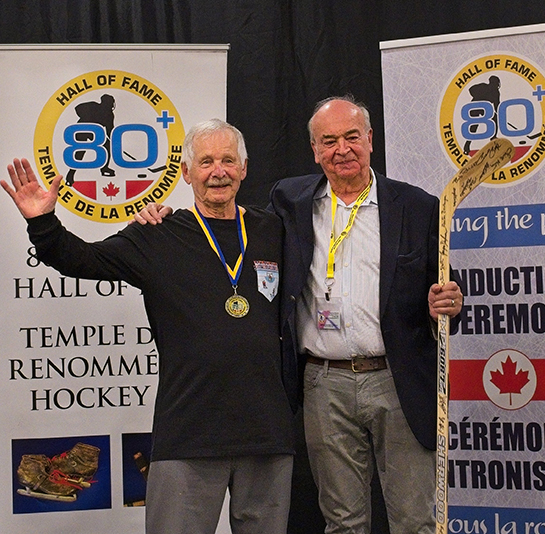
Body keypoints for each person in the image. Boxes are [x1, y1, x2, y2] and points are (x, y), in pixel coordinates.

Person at [136, 97, 464, 534]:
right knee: (343, 522)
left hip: (397, 380)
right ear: (314, 150)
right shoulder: (290, 202)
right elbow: (229, 222)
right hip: (324, 384)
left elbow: (445, 292)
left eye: (351, 137)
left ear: (370, 139)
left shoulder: (417, 207)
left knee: (415, 521)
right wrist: (161, 215)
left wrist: (450, 304)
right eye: (329, 140)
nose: (342, 149)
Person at [1, 119, 296, 534]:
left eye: (228, 160)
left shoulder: (274, 231)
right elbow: (83, 259)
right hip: (189, 433)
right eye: (206, 162)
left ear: (244, 168)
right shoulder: (158, 234)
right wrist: (43, 223)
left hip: (267, 433)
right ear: (186, 172)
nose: (218, 171)